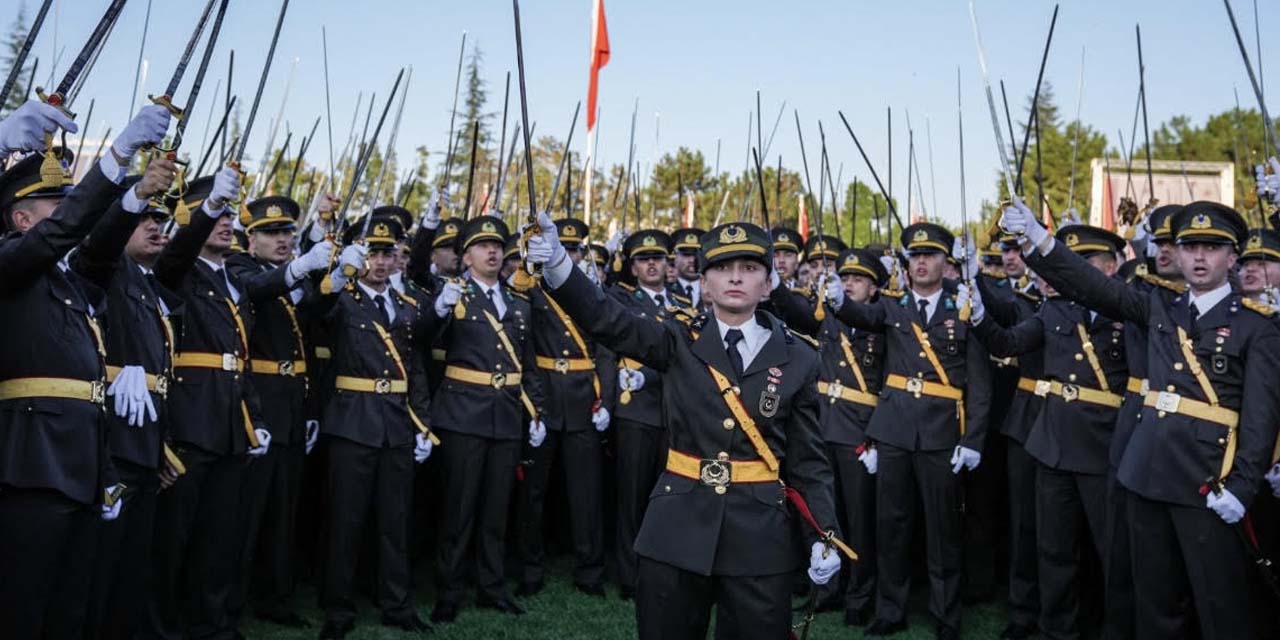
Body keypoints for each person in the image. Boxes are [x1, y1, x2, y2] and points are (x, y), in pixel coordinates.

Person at [525, 215, 847, 640]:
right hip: (676, 527)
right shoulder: (677, 339)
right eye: (722, 268)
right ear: (705, 283)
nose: (735, 277)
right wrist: (557, 265)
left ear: (769, 284)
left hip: (759, 536)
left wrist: (825, 534)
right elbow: (607, 319)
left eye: (750, 267)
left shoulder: (800, 358)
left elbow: (808, 462)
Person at [1001, 198, 1280, 640]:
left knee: (1220, 604)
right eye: (1189, 247)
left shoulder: (1257, 325)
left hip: (1210, 480)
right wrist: (1039, 238)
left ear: (1233, 258)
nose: (1199, 257)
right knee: (1155, 604)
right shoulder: (1159, 308)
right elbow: (1093, 286)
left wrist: (1243, 487)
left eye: (1211, 247)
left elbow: (1262, 417)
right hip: (1147, 475)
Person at [0, 101, 169, 638]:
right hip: (31, 460)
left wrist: (134, 195)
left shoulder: (69, 280)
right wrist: (116, 154)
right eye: (58, 204)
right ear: (22, 219)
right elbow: (64, 233)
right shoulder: (11, 262)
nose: (70, 213)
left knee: (69, 608)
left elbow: (99, 244)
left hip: (83, 461)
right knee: (24, 606)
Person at [963, 224, 1131, 639]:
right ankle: (1058, 630)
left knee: (1114, 551)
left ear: (1112, 267)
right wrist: (980, 316)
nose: (1070, 270)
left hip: (1106, 446)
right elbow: (1007, 343)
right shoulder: (1056, 311)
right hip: (1053, 444)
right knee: (1052, 549)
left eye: (1084, 262)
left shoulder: (1131, 311)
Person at [829, 222, 993, 639]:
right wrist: (838, 301)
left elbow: (979, 384)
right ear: (906, 263)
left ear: (944, 261)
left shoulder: (963, 307)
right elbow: (862, 315)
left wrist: (973, 439)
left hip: (941, 434)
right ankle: (891, 610)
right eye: (915, 256)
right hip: (895, 431)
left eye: (930, 255)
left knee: (943, 530)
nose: (921, 262)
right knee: (891, 526)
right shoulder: (892, 306)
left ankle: (946, 615)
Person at [145, 165, 273, 640]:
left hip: (229, 422)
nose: (225, 222)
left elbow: (240, 359)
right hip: (190, 420)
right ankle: (163, 629)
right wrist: (209, 206)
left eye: (226, 214)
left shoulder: (232, 280)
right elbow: (177, 254)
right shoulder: (177, 269)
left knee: (219, 538)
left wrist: (253, 417)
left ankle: (212, 625)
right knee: (173, 539)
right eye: (212, 213)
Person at [70, 160, 182, 640]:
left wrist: (161, 446)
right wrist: (130, 199)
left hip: (144, 441)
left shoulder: (146, 282)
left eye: (161, 219)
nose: (156, 226)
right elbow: (97, 250)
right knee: (101, 568)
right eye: (144, 219)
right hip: (111, 439)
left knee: (131, 566)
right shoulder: (105, 268)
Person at [315, 217, 436, 639]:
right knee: (346, 521)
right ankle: (338, 609)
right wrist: (335, 274)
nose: (381, 262)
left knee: (395, 521)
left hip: (396, 424)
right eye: (372, 253)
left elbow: (415, 369)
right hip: (353, 421)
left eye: (388, 253)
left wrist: (422, 423)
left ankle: (397, 605)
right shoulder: (342, 300)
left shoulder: (406, 306)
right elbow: (314, 311)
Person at [427, 215, 548, 623]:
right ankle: (449, 591)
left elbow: (527, 363)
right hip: (463, 414)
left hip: (506, 415)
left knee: (497, 510)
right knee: (458, 510)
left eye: (497, 246)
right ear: (466, 257)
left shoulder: (517, 301)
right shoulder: (453, 295)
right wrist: (439, 309)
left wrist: (536, 410)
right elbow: (425, 337)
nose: (493, 252)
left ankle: (491, 587)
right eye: (482, 246)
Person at [225, 195, 331, 628]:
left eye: (287, 231)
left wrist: (333, 275)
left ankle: (275, 597)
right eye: (271, 233)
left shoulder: (290, 276)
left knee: (282, 513)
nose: (282, 239)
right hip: (259, 404)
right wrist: (301, 267)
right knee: (247, 514)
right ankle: (230, 604)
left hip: (292, 404)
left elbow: (310, 332)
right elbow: (260, 289)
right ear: (251, 239)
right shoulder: (240, 267)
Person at [769, 246, 888, 627]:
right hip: (823, 425)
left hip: (860, 433)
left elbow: (891, 384)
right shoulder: (826, 315)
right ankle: (828, 589)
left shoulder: (884, 321)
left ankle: (860, 596)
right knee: (824, 516)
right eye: (845, 277)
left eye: (859, 279)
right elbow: (796, 313)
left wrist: (877, 436)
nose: (849, 284)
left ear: (874, 288)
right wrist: (775, 284)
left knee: (860, 520)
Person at [516, 217, 614, 597]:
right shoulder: (533, 288)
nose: (570, 255)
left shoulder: (589, 291)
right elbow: (523, 346)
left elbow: (605, 350)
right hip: (544, 397)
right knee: (533, 492)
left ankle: (590, 570)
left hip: (583, 400)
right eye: (564, 249)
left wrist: (606, 399)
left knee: (586, 493)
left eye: (575, 250)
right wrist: (532, 403)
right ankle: (530, 568)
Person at [672, 227, 706, 308]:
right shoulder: (665, 290)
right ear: (676, 257)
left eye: (696, 255)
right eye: (686, 255)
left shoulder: (713, 290)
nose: (691, 260)